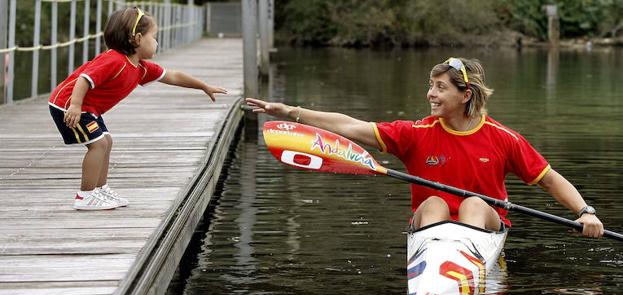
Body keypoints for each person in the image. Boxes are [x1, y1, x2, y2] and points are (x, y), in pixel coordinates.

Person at [246, 57, 604, 238]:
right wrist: (292, 111)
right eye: (430, 85)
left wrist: (585, 211)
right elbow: (350, 127)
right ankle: (437, 264)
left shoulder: (503, 138)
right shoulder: (415, 133)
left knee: (475, 203)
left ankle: (465, 261)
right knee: (433, 202)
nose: (430, 94)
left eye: (439, 88)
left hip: (484, 228)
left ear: (465, 95)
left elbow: (549, 179)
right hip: (430, 232)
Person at [49, 7, 227, 210]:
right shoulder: (113, 60)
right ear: (138, 39)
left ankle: (100, 189)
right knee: (97, 144)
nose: (157, 42)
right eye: (155, 36)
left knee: (106, 141)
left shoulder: (141, 67)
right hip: (67, 104)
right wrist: (75, 105)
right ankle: (85, 196)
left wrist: (203, 86)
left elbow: (173, 76)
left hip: (88, 107)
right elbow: (84, 78)